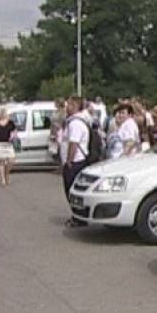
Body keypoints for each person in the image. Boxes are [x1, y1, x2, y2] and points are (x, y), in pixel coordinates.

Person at [61, 95, 92, 225]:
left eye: (68, 105)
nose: (66, 107)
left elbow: (73, 144)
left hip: (75, 162)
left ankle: (79, 218)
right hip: (75, 161)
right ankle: (77, 216)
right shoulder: (74, 121)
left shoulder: (76, 123)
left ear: (74, 106)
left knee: (72, 190)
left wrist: (69, 161)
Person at [0, 106, 18, 186]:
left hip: (8, 144)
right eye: (1, 112)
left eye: (4, 111)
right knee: (0, 162)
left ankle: (7, 174)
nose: (2, 113)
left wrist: (13, 135)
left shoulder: (10, 122)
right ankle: (3, 180)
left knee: (11, 160)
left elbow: (15, 130)